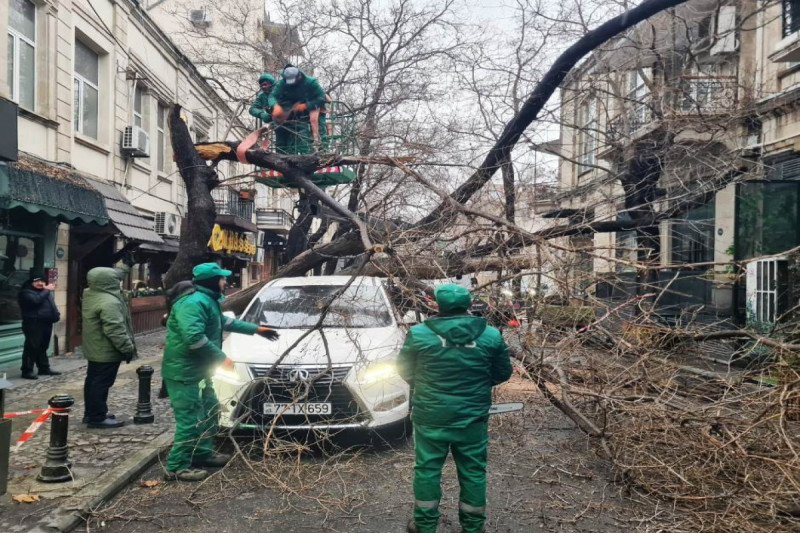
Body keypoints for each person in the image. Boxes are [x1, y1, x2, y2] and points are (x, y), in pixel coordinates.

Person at [397, 284, 513, 533]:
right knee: (473, 471)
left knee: (427, 470)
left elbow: (405, 371)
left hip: (431, 415)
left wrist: (426, 386)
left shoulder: (419, 333)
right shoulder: (490, 335)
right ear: (469, 304)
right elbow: (503, 373)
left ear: (436, 305)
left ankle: (425, 526)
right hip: (471, 418)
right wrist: (478, 384)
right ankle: (472, 527)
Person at [162, 263, 280, 482]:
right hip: (184, 373)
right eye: (222, 278)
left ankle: (202, 453)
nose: (226, 282)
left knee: (209, 411)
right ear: (211, 281)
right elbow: (194, 338)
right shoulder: (193, 303)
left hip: (199, 372)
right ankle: (176, 466)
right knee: (190, 419)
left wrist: (257, 330)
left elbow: (224, 322)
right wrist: (221, 359)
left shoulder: (207, 300)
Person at [81, 264, 137, 428]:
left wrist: (126, 266)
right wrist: (128, 349)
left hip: (95, 348)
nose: (119, 281)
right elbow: (115, 330)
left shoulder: (92, 294)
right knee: (101, 383)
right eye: (116, 280)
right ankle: (97, 417)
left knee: (92, 381)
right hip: (106, 350)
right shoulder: (109, 302)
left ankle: (91, 413)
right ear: (108, 282)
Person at [268, 65, 328, 153]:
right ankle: (283, 158)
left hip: (307, 113)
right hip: (288, 114)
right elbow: (272, 96)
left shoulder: (311, 82)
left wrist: (306, 105)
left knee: (305, 138)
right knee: (283, 139)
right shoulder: (282, 83)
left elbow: (321, 98)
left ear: (299, 75)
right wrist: (275, 106)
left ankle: (314, 154)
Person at [18, 271, 61, 379]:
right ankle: (27, 370)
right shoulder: (26, 292)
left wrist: (56, 314)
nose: (40, 283)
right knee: (32, 346)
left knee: (43, 346)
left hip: (46, 322)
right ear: (32, 282)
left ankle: (44, 368)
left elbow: (51, 304)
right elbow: (36, 301)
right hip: (33, 323)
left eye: (42, 281)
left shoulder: (44, 292)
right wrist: (47, 290)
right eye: (37, 281)